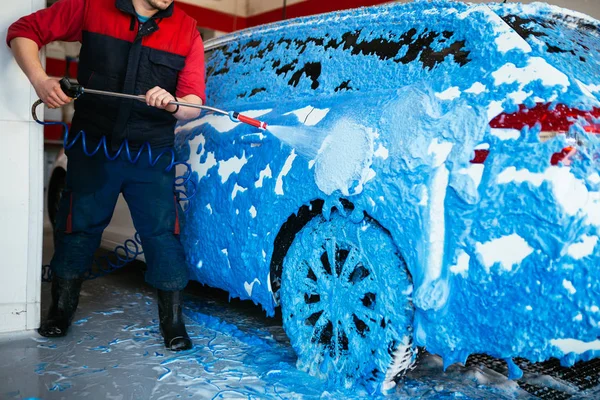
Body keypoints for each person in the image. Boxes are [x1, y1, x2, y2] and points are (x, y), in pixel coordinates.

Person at [7, 0, 206, 351]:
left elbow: (193, 102)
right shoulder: (91, 6)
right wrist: (40, 81)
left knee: (163, 234)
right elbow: (22, 32)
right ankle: (60, 310)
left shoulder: (187, 29)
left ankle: (172, 321)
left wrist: (173, 102)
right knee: (78, 227)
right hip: (92, 147)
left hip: (150, 155)